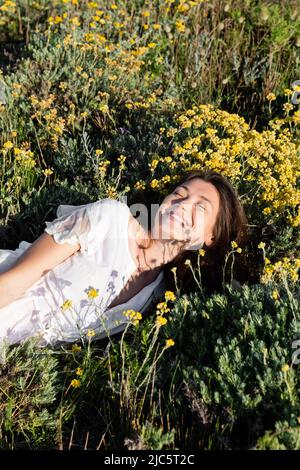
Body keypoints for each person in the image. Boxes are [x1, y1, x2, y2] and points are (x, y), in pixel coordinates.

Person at [0, 167, 249, 357]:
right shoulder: (110, 220)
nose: (182, 205)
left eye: (201, 207)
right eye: (178, 194)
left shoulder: (157, 294)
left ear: (212, 236)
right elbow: (12, 282)